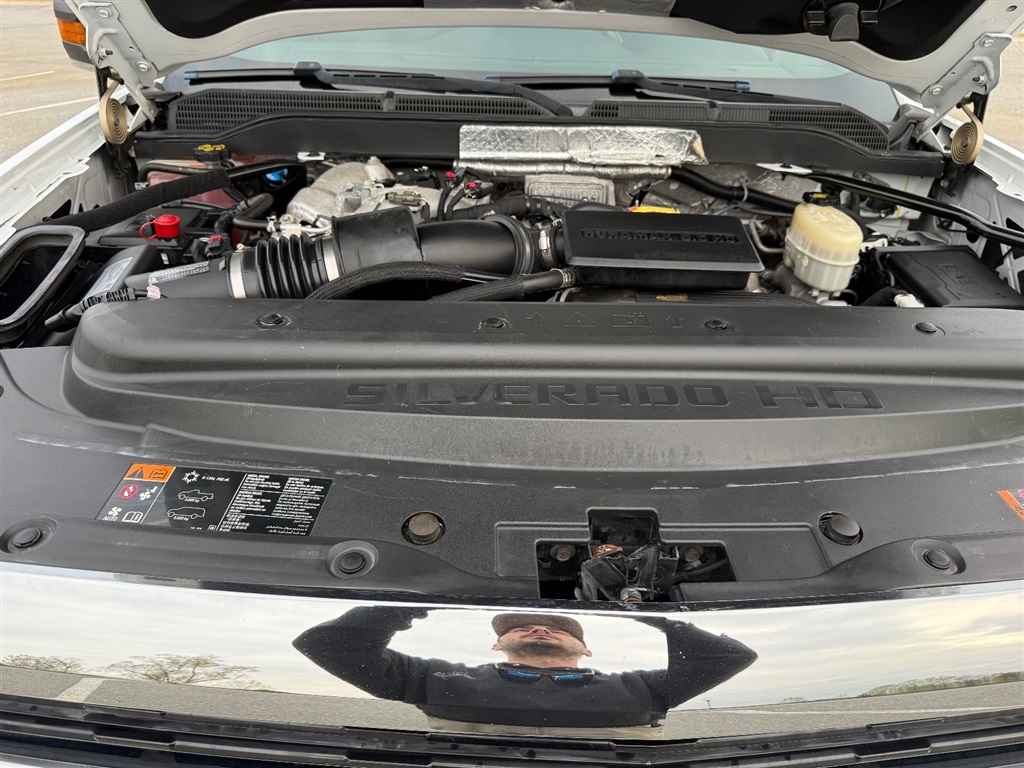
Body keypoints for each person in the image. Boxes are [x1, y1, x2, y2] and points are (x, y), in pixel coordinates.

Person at [293, 607, 756, 735]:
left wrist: (649, 612)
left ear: (586, 650)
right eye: (521, 627)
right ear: (497, 644)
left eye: (560, 628)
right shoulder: (433, 676)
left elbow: (728, 657)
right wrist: (411, 603)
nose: (540, 627)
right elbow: (328, 644)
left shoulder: (643, 686)